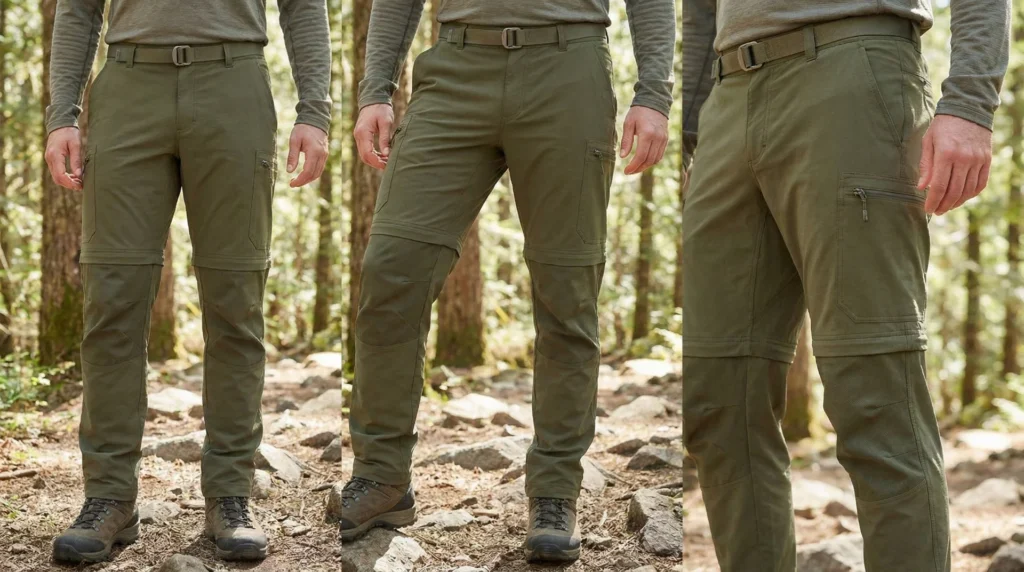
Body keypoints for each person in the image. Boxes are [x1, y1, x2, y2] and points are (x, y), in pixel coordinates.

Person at [341, 0, 675, 563]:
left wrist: (654, 95)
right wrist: (376, 90)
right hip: (454, 71)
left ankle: (555, 491)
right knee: (392, 270)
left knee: (567, 293)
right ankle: (381, 475)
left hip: (568, 71)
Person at [681, 1, 1009, 571]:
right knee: (718, 395)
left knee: (875, 396)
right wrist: (693, 127)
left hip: (853, 70)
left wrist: (970, 103)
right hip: (727, 98)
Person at [43, 0, 331, 563]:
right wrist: (62, 116)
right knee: (112, 300)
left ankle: (230, 495)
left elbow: (303, 6)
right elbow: (78, 8)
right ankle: (108, 497)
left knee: (235, 305)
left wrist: (314, 111)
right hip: (127, 87)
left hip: (234, 85)